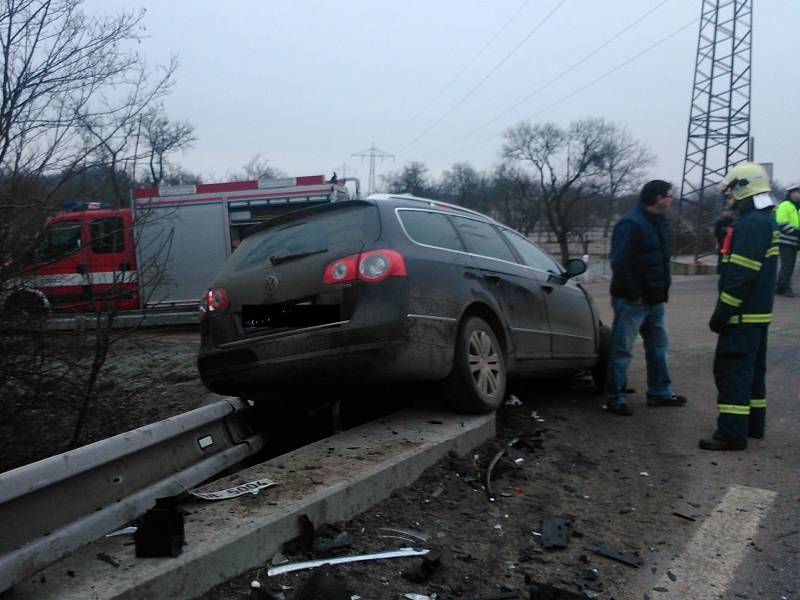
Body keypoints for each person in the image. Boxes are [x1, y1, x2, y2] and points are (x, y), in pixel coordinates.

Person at [699, 162, 778, 451]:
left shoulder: (751, 224)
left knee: (731, 371)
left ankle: (731, 434)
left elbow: (740, 276)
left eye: (732, 190)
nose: (730, 197)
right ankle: (753, 425)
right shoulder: (765, 218)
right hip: (757, 315)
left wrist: (722, 314)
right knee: (752, 373)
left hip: (742, 316)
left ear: (743, 187)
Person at [604, 179, 687, 416]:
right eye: (670, 196)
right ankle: (614, 398)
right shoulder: (631, 224)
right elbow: (620, 262)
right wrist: (634, 294)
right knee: (622, 350)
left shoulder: (659, 221)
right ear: (659, 198)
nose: (672, 200)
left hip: (654, 299)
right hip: (633, 301)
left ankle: (660, 392)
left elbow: (659, 259)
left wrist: (658, 293)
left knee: (658, 346)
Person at [775, 182, 800, 296]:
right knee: (787, 264)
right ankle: (785, 287)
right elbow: (782, 224)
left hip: (795, 241)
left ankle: (780, 286)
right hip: (785, 241)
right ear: (791, 193)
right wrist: (797, 232)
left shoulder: (797, 207)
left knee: (790, 264)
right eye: (797, 192)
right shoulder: (785, 205)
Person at [713, 207, 735, 274]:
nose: (727, 213)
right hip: (723, 244)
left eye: (729, 211)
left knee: (730, 259)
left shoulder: (734, 222)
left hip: (732, 244)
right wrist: (723, 231)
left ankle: (729, 270)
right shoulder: (720, 222)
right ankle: (722, 271)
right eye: (725, 211)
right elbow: (716, 233)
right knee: (723, 258)